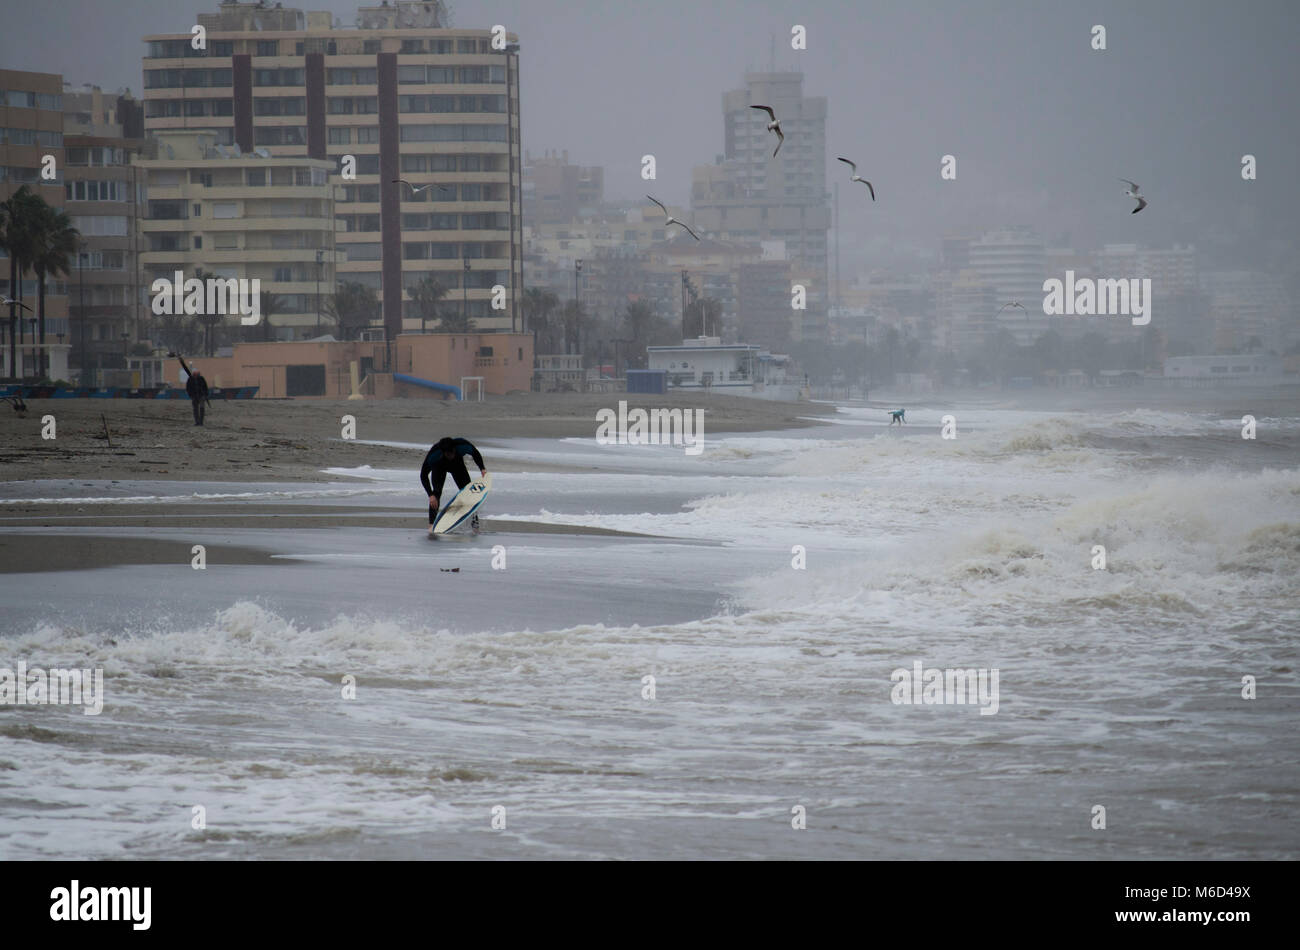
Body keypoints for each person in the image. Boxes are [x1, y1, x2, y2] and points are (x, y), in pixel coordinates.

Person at [421, 436, 487, 536]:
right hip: (439, 467)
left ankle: (475, 527)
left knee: (468, 494)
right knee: (436, 493)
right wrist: (430, 495)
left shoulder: (461, 445)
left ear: (454, 449)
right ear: (443, 452)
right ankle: (431, 526)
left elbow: (475, 452)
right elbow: (423, 475)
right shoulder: (435, 454)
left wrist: (482, 468)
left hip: (457, 466)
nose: (451, 456)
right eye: (448, 454)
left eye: (452, 453)